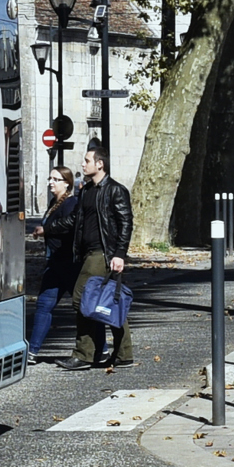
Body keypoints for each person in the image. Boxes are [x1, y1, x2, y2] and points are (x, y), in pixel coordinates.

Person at [64, 143, 133, 371]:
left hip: (103, 254)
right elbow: (75, 220)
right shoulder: (85, 190)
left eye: (87, 160)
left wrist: (119, 254)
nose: (82, 164)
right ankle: (123, 354)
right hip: (87, 254)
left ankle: (84, 354)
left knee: (81, 298)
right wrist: (48, 227)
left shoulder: (115, 190)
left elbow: (125, 223)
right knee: (108, 301)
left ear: (99, 164)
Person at [26, 169, 80, 357]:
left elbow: (69, 226)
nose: (51, 182)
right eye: (50, 178)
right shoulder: (54, 204)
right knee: (43, 305)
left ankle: (101, 348)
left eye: (56, 179)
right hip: (54, 264)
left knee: (84, 307)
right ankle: (32, 351)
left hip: (67, 264)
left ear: (67, 183)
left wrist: (46, 230)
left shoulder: (70, 202)